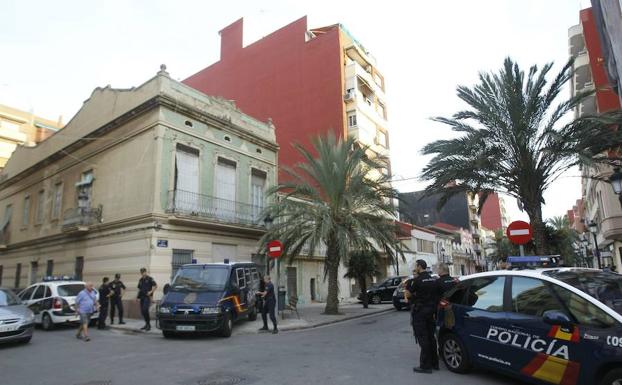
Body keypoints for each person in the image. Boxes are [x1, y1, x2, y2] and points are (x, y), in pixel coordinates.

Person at [406, 260, 440, 374]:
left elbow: (409, 294)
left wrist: (408, 290)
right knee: (431, 337)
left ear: (419, 267)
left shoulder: (417, 280)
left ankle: (426, 365)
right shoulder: (433, 279)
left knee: (422, 337)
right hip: (431, 311)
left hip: (420, 312)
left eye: (416, 266)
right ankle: (435, 363)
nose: (415, 267)